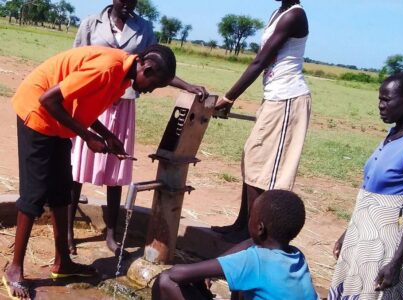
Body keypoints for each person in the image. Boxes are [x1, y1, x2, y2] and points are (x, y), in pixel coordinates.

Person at [3, 44, 177, 300]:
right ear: (147, 67)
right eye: (154, 84)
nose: (150, 90)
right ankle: (14, 269)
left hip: (58, 121)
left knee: (62, 191)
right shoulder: (107, 68)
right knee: (34, 194)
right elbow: (48, 99)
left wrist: (108, 136)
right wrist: (87, 137)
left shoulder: (122, 77)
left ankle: (63, 263)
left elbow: (82, 104)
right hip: (38, 113)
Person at [68, 0, 207, 256]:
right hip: (92, 99)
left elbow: (157, 67)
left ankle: (111, 232)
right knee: (78, 166)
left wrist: (187, 85)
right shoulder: (91, 23)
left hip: (123, 103)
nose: (127, 3)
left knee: (116, 168)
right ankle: (67, 232)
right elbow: (76, 60)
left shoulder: (143, 28)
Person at [329, 72, 403, 299]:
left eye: (386, 100)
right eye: (380, 99)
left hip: (385, 242)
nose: (380, 106)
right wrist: (348, 233)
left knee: (372, 292)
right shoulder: (392, 135)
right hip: (361, 234)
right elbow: (368, 196)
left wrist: (396, 262)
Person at [212, 0, 311, 242]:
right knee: (253, 158)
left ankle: (253, 234)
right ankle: (242, 225)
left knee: (266, 170)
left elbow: (260, 61)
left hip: (287, 99)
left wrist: (229, 97)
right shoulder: (279, 13)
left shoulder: (294, 16)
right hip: (275, 97)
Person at [152, 190, 319, 300]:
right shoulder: (296, 257)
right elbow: (251, 243)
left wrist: (201, 273)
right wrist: (206, 273)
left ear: (259, 227)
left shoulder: (256, 260)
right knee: (240, 285)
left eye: (250, 216)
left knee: (165, 280)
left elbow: (177, 274)